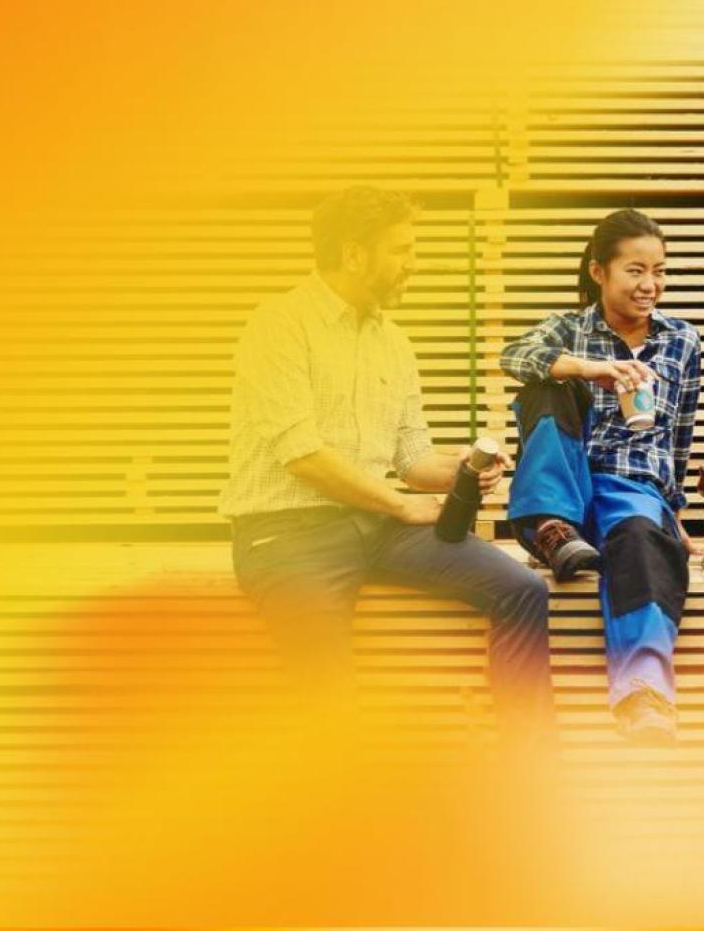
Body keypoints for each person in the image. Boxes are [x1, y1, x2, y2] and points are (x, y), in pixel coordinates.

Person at [219, 186, 555, 742]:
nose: (412, 263)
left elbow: (409, 455)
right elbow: (300, 453)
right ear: (354, 253)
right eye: (401, 249)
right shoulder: (278, 325)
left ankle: (530, 763)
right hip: (287, 534)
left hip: (375, 524)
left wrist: (463, 469)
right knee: (327, 701)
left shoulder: (392, 341)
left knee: (523, 589)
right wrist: (400, 502)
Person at [499, 209, 702, 744]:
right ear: (599, 272)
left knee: (643, 539)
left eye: (660, 271)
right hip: (561, 477)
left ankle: (644, 694)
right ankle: (551, 526)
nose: (650, 285)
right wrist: (592, 370)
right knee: (547, 384)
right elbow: (513, 356)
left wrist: (672, 513)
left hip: (630, 486)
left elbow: (677, 435)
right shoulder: (568, 328)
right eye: (635, 271)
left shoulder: (681, 341)